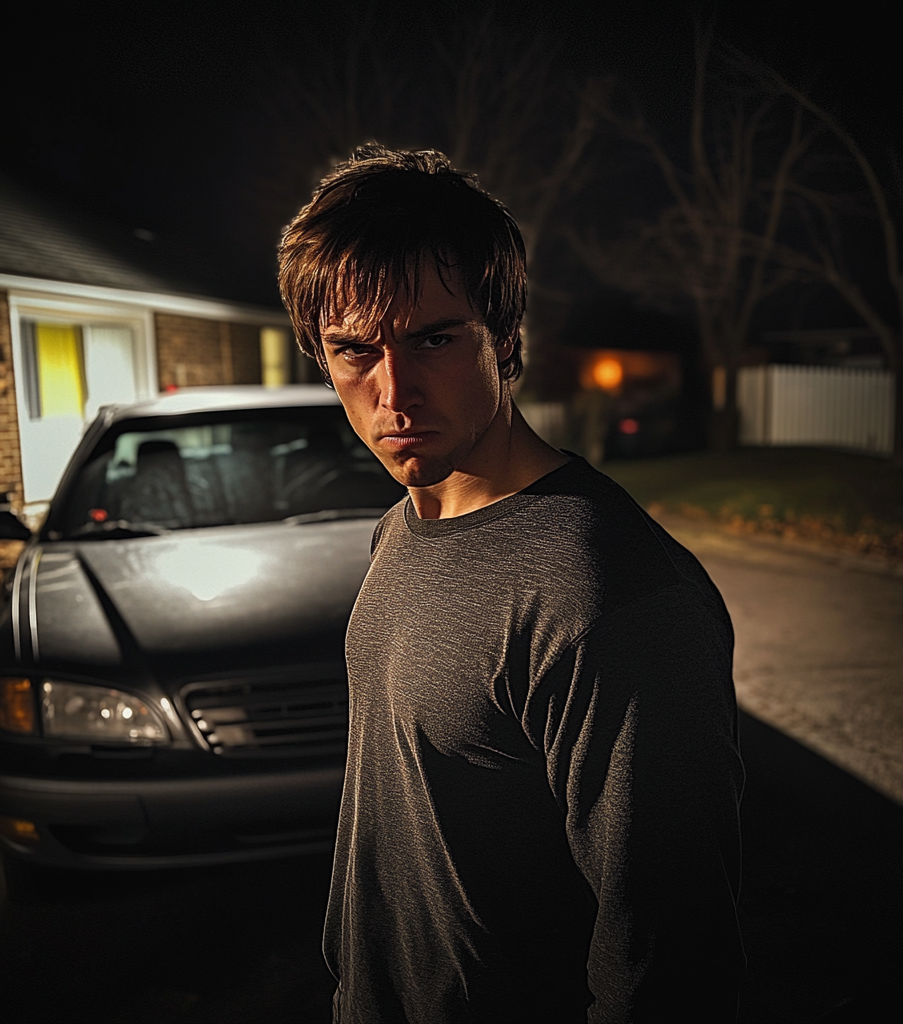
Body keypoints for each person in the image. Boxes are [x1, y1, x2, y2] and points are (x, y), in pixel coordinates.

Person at [278, 143, 745, 1023]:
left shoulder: (610, 593)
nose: (394, 393)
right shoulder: (401, 527)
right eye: (352, 352)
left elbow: (672, 969)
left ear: (505, 336)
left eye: (434, 339)